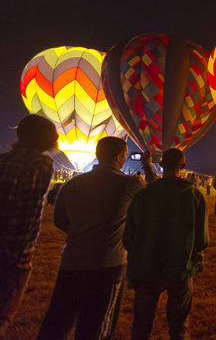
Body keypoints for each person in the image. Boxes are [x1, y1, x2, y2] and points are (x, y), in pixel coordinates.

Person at [37, 137, 146, 340]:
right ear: (120, 157)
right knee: (97, 326)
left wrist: (82, 232)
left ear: (97, 154)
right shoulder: (131, 183)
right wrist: (148, 166)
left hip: (71, 262)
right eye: (124, 155)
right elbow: (152, 203)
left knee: (57, 321)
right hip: (107, 265)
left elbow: (60, 220)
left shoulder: (71, 184)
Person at [123, 148, 209, 340]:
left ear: (160, 165)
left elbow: (128, 239)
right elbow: (202, 241)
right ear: (183, 166)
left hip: (146, 267)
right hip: (180, 269)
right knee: (178, 329)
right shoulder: (194, 196)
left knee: (141, 327)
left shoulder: (142, 196)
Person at [0, 115, 57, 336]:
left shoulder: (4, 160)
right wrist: (15, 257)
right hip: (14, 255)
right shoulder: (40, 164)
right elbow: (26, 214)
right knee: (3, 313)